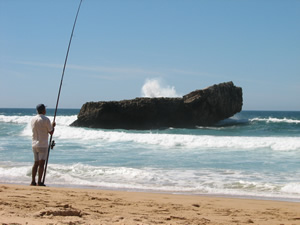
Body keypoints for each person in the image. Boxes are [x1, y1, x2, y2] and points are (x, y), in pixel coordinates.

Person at [31, 104, 56, 186]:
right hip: (43, 144)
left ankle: (33, 181)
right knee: (41, 164)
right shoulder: (46, 119)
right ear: (43, 110)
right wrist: (53, 126)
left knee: (36, 163)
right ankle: (39, 182)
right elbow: (51, 131)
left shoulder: (33, 119)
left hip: (34, 144)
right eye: (45, 109)